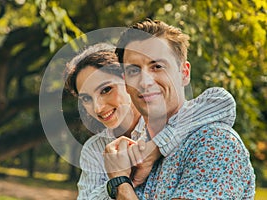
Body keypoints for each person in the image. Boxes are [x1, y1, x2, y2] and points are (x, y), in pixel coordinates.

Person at [65, 43, 240, 199]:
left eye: (106, 90)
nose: (97, 108)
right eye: (86, 99)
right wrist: (118, 178)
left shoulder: (167, 121)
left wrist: (155, 147)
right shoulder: (94, 148)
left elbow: (222, 102)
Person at [104, 19, 256, 199]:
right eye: (134, 71)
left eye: (157, 67)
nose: (145, 82)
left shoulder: (214, 143)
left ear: (184, 73)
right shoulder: (135, 154)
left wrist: (120, 184)